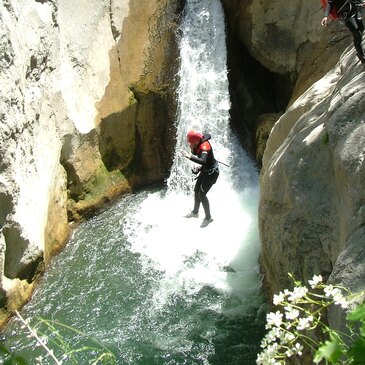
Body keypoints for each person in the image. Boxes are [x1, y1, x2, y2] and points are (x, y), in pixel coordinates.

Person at [181, 129, 219, 228]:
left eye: (191, 143)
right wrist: (199, 169)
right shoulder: (199, 142)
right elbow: (205, 163)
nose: (189, 145)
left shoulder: (204, 147)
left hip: (211, 173)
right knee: (196, 190)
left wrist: (189, 156)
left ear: (196, 142)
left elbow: (203, 160)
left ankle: (208, 218)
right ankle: (195, 212)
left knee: (201, 195)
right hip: (206, 170)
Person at [321, 0, 365, 65]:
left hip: (355, 10)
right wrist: (325, 16)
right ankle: (362, 56)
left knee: (361, 30)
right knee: (357, 34)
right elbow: (330, 4)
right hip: (346, 17)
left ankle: (360, 53)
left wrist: (362, 2)